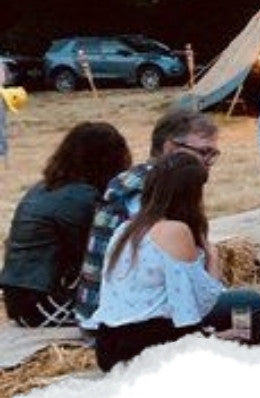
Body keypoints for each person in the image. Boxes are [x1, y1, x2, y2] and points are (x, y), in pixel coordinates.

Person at [86, 153, 260, 371]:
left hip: (108, 345)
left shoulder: (125, 229)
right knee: (252, 303)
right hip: (148, 346)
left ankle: (249, 338)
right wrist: (212, 256)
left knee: (237, 306)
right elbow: (199, 302)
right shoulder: (175, 231)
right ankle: (238, 347)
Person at [77, 110, 222, 324]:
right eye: (204, 152)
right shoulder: (144, 197)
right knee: (250, 304)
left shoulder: (134, 181)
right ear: (170, 148)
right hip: (128, 318)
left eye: (213, 154)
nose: (208, 162)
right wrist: (212, 257)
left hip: (109, 314)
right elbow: (191, 296)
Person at [2, 123, 131, 327]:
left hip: (21, 298)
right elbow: (99, 256)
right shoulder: (81, 198)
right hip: (42, 303)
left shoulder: (43, 188)